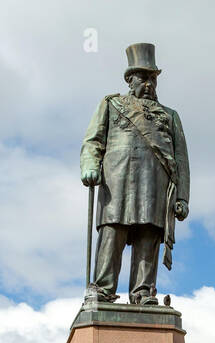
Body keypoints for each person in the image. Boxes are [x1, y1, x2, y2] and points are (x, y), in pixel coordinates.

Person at [80, 43, 190, 305]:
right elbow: (93, 141)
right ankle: (104, 289)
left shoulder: (170, 116)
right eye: (143, 77)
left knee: (148, 234)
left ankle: (143, 292)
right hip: (116, 183)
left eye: (153, 78)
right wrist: (89, 164)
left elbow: (182, 160)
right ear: (130, 79)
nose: (149, 84)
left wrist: (182, 197)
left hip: (155, 185)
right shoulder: (111, 104)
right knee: (112, 232)